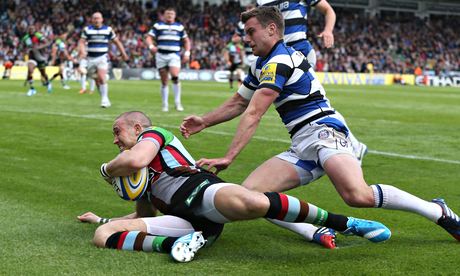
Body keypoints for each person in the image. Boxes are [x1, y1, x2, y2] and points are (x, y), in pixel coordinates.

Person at [180, 6, 460, 244]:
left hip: (325, 132)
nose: (246, 38)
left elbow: (254, 113)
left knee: (356, 195)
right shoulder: (260, 65)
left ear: (272, 30)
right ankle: (314, 230)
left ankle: (437, 211)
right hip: (302, 143)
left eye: (251, 31)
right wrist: (204, 121)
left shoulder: (280, 61)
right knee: (251, 197)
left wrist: (229, 156)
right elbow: (238, 103)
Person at [78, 111, 391, 263]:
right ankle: (177, 244)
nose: (115, 140)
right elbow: (141, 215)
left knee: (253, 203)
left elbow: (134, 161)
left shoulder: (154, 135)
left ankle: (346, 223)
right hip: (181, 219)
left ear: (137, 127)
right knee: (102, 237)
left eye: (118, 132)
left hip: (200, 193)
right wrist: (103, 221)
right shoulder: (141, 179)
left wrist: (106, 169)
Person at [78, 12, 129, 108]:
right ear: (92, 20)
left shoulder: (108, 30)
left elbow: (117, 42)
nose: (96, 20)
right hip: (90, 58)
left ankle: (104, 100)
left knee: (101, 77)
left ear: (102, 19)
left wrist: (124, 53)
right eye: (94, 18)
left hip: (102, 57)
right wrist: (83, 51)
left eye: (98, 18)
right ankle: (105, 98)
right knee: (97, 80)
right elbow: (81, 42)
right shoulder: (87, 30)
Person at [145, 7, 191, 112]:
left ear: (174, 16)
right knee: (164, 80)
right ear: (164, 15)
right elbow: (148, 37)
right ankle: (165, 104)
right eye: (167, 13)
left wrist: (187, 53)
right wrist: (151, 47)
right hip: (160, 55)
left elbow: (186, 41)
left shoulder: (179, 27)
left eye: (171, 14)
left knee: (175, 76)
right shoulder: (158, 26)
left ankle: (177, 103)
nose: (169, 15)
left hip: (174, 55)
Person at [20, 25, 52, 96]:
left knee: (43, 73)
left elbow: (47, 43)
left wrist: (39, 47)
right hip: (32, 57)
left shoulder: (38, 35)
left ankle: (48, 83)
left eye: (32, 29)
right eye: (30, 29)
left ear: (35, 30)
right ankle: (32, 89)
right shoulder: (26, 38)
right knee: (30, 70)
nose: (31, 30)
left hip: (40, 56)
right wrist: (25, 51)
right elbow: (22, 47)